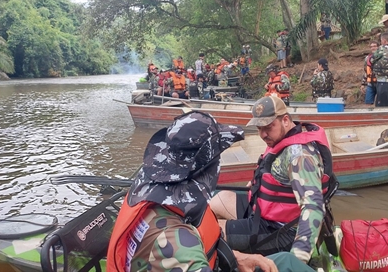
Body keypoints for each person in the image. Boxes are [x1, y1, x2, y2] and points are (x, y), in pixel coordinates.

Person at [106, 111, 286, 272]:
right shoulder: (178, 245)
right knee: (286, 262)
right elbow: (180, 252)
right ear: (207, 171)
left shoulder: (146, 192)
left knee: (284, 260)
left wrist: (235, 256)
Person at [210, 96, 337, 265]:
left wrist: (296, 260)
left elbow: (313, 207)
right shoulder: (280, 138)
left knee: (208, 232)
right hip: (265, 210)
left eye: (268, 127)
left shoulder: (300, 156)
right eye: (259, 128)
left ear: (285, 120)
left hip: (281, 230)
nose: (263, 134)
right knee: (219, 199)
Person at [360, 41, 378, 105]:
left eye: (374, 46)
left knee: (380, 104)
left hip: (380, 82)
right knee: (368, 102)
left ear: (378, 47)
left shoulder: (382, 57)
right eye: (371, 47)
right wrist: (363, 84)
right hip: (370, 83)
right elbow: (366, 71)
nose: (373, 48)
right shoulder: (367, 58)